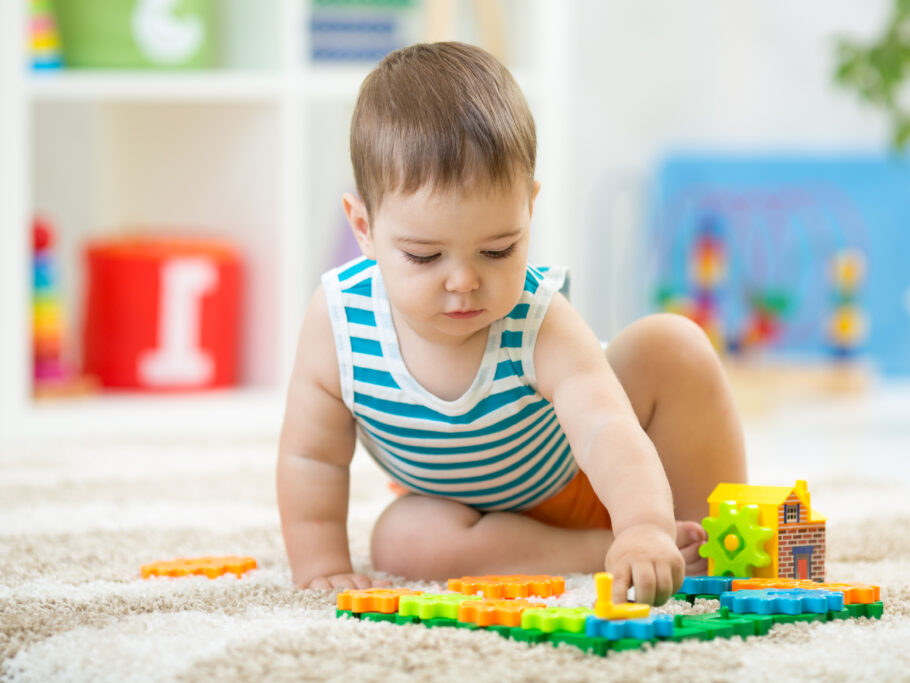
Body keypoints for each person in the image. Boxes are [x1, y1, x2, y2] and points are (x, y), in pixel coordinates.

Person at [277, 42, 747, 607]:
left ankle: (689, 541)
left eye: (499, 250)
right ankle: (600, 552)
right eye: (425, 257)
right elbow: (312, 457)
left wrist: (644, 523)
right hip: (464, 515)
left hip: (594, 481)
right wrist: (321, 563)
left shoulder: (539, 318)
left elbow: (605, 430)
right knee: (400, 543)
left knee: (673, 346)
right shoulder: (339, 323)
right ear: (363, 226)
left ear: (528, 207)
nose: (463, 282)